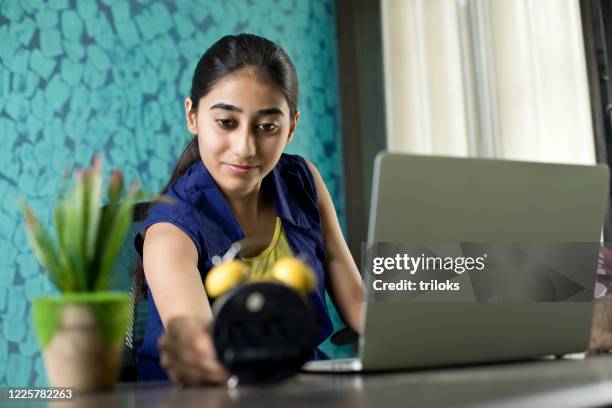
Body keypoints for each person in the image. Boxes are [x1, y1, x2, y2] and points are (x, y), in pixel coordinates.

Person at [134, 33, 364, 385]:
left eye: (267, 127)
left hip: (302, 385)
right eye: (226, 122)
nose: (245, 147)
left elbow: (357, 302)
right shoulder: (170, 231)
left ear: (291, 128)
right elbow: (206, 354)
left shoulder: (302, 180)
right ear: (192, 116)